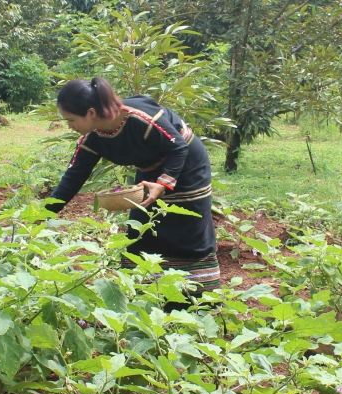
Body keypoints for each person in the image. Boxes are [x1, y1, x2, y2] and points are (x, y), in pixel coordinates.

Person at [46, 77, 220, 299]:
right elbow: (73, 177)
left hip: (186, 165)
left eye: (70, 120)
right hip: (150, 170)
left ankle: (198, 296)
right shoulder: (93, 137)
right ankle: (146, 294)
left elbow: (178, 147)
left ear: (90, 112)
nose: (69, 126)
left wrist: (163, 183)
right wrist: (42, 214)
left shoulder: (139, 117)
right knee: (141, 226)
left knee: (187, 226)